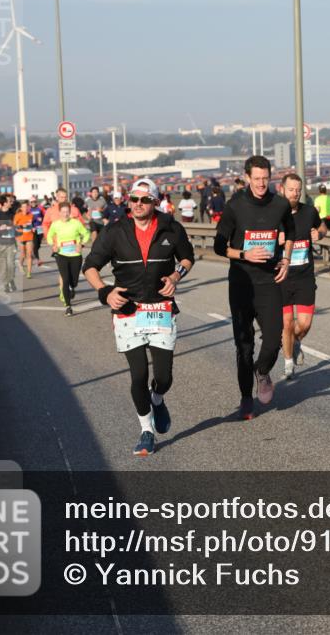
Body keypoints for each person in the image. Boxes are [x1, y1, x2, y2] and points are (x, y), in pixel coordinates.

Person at [83, 178, 195, 456]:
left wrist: (175, 276)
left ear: (155, 202)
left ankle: (158, 399)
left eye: (145, 200)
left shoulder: (171, 227)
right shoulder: (115, 231)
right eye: (134, 199)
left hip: (160, 309)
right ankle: (146, 431)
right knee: (138, 376)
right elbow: (90, 266)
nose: (138, 204)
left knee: (164, 377)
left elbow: (187, 258)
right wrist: (105, 292)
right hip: (129, 311)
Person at [213, 155, 294, 420]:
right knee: (244, 345)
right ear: (247, 177)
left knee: (274, 337)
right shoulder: (235, 205)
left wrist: (286, 259)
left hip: (269, 281)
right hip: (241, 283)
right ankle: (246, 399)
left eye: (265, 178)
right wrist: (244, 254)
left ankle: (262, 371)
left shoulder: (280, 204)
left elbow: (291, 232)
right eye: (256, 179)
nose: (261, 184)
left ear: (270, 177)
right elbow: (218, 246)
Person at [278, 173, 326, 379]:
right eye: (291, 189)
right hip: (282, 277)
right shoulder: (274, 214)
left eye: (298, 190)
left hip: (305, 276)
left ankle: (294, 342)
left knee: (304, 324)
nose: (295, 193)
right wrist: (275, 239)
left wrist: (320, 233)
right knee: (287, 323)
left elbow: (323, 226)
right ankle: (288, 363)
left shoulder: (309, 211)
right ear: (282, 190)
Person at [47, 200, 91, 315]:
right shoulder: (56, 224)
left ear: (70, 212)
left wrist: (81, 244)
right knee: (65, 279)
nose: (65, 214)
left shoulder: (76, 223)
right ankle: (68, 306)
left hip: (75, 255)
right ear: (59, 212)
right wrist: (53, 245)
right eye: (63, 212)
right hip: (61, 255)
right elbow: (49, 236)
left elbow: (86, 234)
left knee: (74, 281)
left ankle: (72, 287)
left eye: (67, 212)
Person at [0, 194, 19, 294]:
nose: (11, 203)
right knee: (3, 266)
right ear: (4, 203)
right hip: (1, 243)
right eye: (9, 201)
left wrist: (13, 227)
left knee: (11, 264)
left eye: (12, 201)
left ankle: (10, 279)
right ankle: (6, 284)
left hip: (11, 243)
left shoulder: (13, 213)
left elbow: (17, 225)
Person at [14, 199, 36, 279]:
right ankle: (20, 264)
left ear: (28, 207)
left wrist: (33, 228)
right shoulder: (17, 215)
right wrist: (21, 226)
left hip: (29, 236)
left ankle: (29, 273)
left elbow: (33, 224)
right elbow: (14, 226)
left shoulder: (31, 215)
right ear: (21, 208)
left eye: (27, 207)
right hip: (20, 237)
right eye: (23, 207)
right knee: (23, 254)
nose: (25, 208)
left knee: (29, 254)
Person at [28, 197, 46, 267]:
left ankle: (33, 253)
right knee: (35, 243)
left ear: (36, 202)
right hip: (33, 229)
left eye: (34, 202)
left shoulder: (40, 208)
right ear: (30, 203)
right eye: (32, 202)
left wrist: (42, 219)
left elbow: (46, 215)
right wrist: (33, 221)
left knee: (38, 244)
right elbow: (27, 219)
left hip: (40, 228)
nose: (33, 203)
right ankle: (38, 259)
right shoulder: (29, 210)